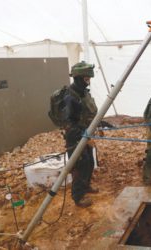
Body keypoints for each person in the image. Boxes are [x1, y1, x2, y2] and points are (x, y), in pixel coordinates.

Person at [63, 61, 100, 207]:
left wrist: (98, 125)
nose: (88, 82)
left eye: (89, 78)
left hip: (86, 135)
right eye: (86, 79)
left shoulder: (83, 93)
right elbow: (68, 123)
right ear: (78, 78)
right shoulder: (70, 97)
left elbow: (87, 114)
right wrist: (84, 135)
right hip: (75, 138)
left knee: (89, 163)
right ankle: (78, 197)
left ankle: (86, 187)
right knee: (79, 167)